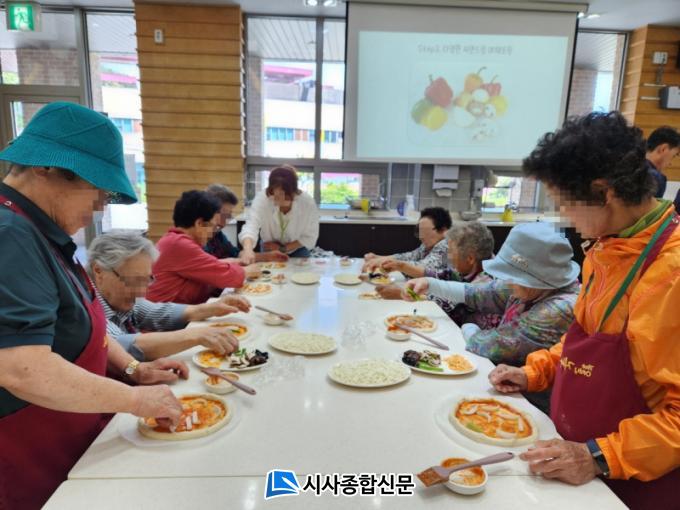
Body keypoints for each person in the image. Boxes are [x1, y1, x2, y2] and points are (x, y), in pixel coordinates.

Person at [487, 112, 680, 508]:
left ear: (602, 192)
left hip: (632, 485)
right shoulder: (605, 249)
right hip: (573, 462)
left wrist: (598, 456)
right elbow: (585, 344)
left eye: (566, 205)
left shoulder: (670, 274)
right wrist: (535, 372)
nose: (566, 220)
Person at [0, 103, 186, 509]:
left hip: (74, 433)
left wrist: (135, 369)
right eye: (97, 191)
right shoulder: (9, 235)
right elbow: (21, 368)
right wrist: (135, 400)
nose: (101, 206)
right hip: (32, 450)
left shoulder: (41, 232)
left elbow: (89, 328)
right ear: (47, 167)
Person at [405, 222, 580, 366]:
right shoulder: (534, 287)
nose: (507, 281)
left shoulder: (558, 309)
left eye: (513, 276)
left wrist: (469, 328)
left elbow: (494, 346)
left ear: (535, 279)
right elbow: (477, 293)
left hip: (530, 393)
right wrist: (429, 284)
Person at [89, 231, 252, 360]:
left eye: (146, 280)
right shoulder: (86, 307)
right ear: (99, 271)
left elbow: (157, 312)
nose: (141, 291)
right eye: (133, 281)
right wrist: (197, 335)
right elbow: (121, 346)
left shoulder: (117, 297)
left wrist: (212, 308)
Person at [147, 190, 252, 305]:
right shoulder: (179, 244)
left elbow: (208, 266)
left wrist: (234, 262)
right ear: (200, 224)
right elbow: (227, 276)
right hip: (167, 315)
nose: (212, 233)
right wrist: (250, 271)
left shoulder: (175, 241)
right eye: (213, 226)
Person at [239, 165, 319, 263]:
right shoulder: (262, 199)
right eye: (277, 195)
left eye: (286, 196)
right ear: (271, 190)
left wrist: (282, 248)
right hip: (269, 248)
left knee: (301, 271)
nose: (281, 200)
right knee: (269, 272)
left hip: (297, 248)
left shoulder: (307, 203)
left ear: (294, 192)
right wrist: (248, 250)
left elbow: (310, 236)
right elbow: (251, 226)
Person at [204, 183, 288, 264]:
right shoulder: (199, 237)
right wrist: (241, 265)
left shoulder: (218, 235)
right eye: (223, 214)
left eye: (228, 215)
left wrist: (266, 256)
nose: (224, 222)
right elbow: (205, 265)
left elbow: (236, 254)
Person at [363, 207, 451, 277]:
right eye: (420, 231)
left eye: (426, 231)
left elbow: (424, 268)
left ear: (443, 230)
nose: (421, 237)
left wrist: (387, 263)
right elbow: (410, 256)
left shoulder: (446, 246)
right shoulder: (429, 244)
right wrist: (380, 258)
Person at [645, 126, 680, 198]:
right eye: (673, 156)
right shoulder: (656, 178)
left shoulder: (625, 165)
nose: (670, 164)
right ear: (663, 149)